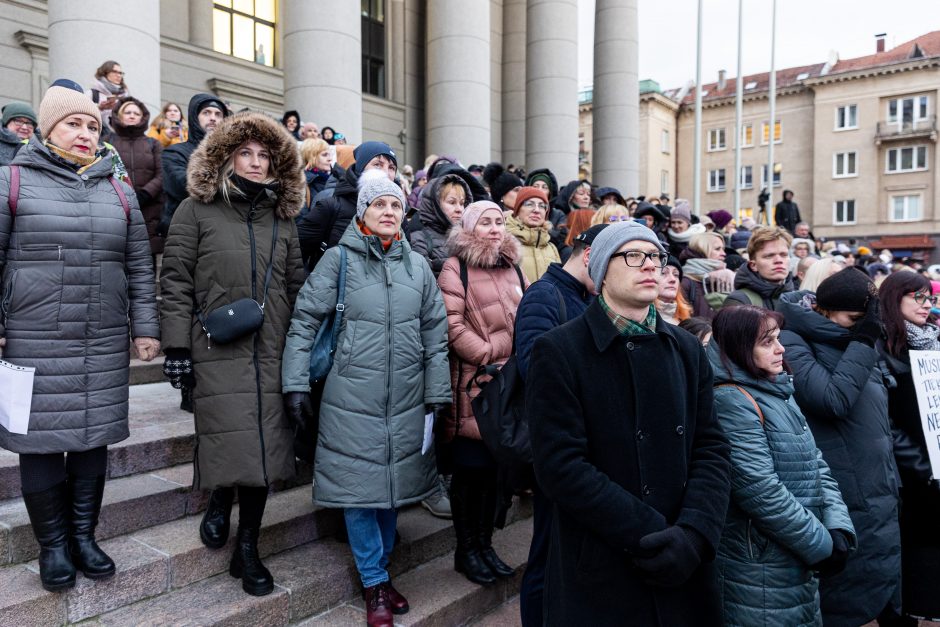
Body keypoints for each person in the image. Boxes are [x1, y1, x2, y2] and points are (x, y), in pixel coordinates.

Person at [526, 220, 731, 625]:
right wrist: (649, 532)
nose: (650, 265)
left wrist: (694, 533)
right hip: (604, 561)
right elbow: (560, 466)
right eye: (633, 256)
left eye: (656, 255)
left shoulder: (687, 348)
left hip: (683, 557)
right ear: (601, 270)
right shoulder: (560, 350)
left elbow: (711, 447)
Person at [0, 79, 160, 592]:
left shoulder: (118, 187)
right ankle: (53, 547)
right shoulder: (12, 181)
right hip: (33, 338)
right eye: (74, 123)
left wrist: (146, 329)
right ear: (48, 129)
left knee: (94, 438)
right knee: (41, 444)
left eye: (94, 125)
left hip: (102, 336)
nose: (86, 133)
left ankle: (84, 537)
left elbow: (138, 263)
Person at [281, 170, 450, 627]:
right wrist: (295, 383)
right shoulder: (338, 260)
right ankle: (374, 581)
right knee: (361, 492)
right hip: (351, 396)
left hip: (408, 397)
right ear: (363, 213)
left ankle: (382, 571)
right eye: (379, 205)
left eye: (396, 205)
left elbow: (435, 336)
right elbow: (303, 325)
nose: (389, 212)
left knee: (393, 490)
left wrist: (437, 391)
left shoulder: (417, 267)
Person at [159, 111, 305, 597]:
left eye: (265, 155)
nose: (256, 162)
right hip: (216, 346)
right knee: (229, 437)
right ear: (225, 156)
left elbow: (293, 283)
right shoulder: (195, 210)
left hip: (272, 346)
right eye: (246, 152)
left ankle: (249, 548)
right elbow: (176, 280)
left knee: (263, 446)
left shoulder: (282, 218)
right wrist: (176, 345)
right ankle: (220, 497)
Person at [709, 305, 856, 626]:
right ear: (738, 347)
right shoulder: (731, 399)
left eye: (777, 338)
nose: (780, 349)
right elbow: (759, 490)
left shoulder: (776, 389)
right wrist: (821, 544)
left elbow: (817, 466)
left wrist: (838, 527)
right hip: (760, 567)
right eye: (767, 342)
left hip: (796, 555)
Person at [778, 268, 901, 627]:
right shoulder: (793, 338)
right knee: (845, 600)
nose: (858, 327)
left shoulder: (857, 340)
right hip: (841, 488)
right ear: (822, 309)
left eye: (864, 322)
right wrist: (863, 343)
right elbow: (832, 400)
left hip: (879, 484)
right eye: (852, 320)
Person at [514, 223, 605, 627]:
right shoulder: (544, 295)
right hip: (557, 444)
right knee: (547, 553)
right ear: (589, 256)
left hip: (584, 442)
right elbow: (534, 367)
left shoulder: (585, 297)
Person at [436, 200, 526, 586]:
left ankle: (486, 544)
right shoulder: (455, 267)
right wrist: (490, 352)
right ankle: (466, 549)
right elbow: (451, 325)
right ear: (470, 228)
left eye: (499, 222)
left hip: (509, 386)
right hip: (474, 385)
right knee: (471, 473)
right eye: (485, 222)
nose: (494, 228)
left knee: (494, 474)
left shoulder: (512, 267)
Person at [879, 272, 940, 622]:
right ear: (893, 299)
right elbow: (886, 423)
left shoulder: (933, 341)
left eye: (928, 297)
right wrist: (922, 466)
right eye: (917, 297)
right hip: (907, 479)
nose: (927, 303)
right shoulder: (882, 347)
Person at [297, 140, 397, 269]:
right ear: (360, 167)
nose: (385, 173)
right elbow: (295, 255)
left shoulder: (398, 213)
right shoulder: (331, 207)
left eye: (392, 168)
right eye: (377, 165)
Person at [109, 97, 164, 271]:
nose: (132, 116)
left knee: (145, 268)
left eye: (136, 113)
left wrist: (145, 194)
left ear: (143, 117)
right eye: (128, 112)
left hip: (148, 210)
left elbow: (162, 174)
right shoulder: (107, 142)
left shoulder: (153, 144)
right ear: (119, 115)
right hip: (115, 209)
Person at [408, 173, 471, 276]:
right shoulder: (419, 240)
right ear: (435, 205)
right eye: (452, 202)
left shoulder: (471, 237)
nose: (459, 209)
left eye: (462, 203)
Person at [725, 226, 795, 310]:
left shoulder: (799, 299)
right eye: (769, 256)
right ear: (753, 265)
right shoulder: (739, 301)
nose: (778, 260)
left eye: (783, 255)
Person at [506, 187, 560, 283]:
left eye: (542, 206)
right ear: (518, 210)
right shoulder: (505, 243)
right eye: (529, 204)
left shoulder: (552, 248)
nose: (536, 210)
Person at [680, 232, 736, 320]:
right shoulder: (685, 282)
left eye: (723, 249)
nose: (724, 253)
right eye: (717, 249)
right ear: (702, 251)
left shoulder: (726, 278)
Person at [88, 60, 129, 130]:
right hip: (97, 136)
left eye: (120, 73)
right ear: (105, 73)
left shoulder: (125, 96)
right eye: (115, 72)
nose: (119, 75)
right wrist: (99, 108)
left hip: (119, 137)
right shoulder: (92, 94)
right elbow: (83, 116)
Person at [299, 137, 332, 219]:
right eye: (324, 155)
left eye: (329, 154)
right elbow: (302, 220)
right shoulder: (301, 183)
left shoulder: (332, 178)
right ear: (311, 157)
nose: (330, 159)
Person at [656, 256, 692, 325]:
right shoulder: (642, 319)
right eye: (663, 273)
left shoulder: (685, 321)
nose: (672, 279)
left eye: (676, 275)